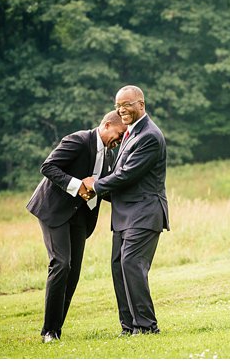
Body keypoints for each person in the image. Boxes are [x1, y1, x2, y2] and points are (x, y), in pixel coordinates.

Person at [26, 111, 127, 343]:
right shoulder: (78, 140)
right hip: (54, 210)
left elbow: (103, 188)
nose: (120, 139)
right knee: (61, 264)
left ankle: (56, 330)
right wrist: (77, 185)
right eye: (119, 133)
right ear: (107, 124)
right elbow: (48, 167)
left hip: (81, 216)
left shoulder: (111, 155)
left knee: (73, 272)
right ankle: (48, 332)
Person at [83, 85, 170, 336]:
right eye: (118, 105)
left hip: (145, 212)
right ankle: (129, 326)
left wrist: (95, 186)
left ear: (141, 104)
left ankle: (146, 326)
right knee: (118, 265)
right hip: (124, 215)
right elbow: (119, 177)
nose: (122, 110)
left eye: (127, 104)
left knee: (132, 263)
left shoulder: (149, 136)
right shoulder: (130, 134)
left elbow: (126, 175)